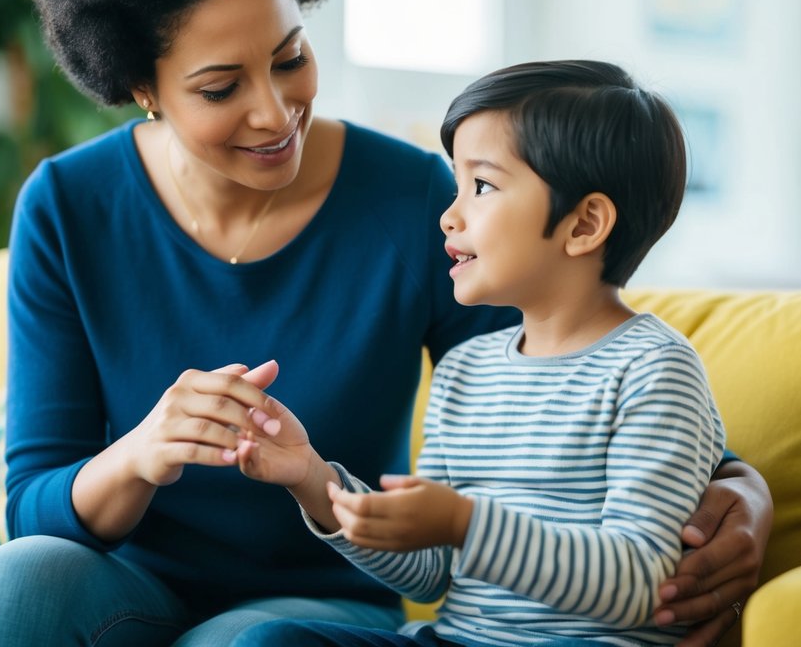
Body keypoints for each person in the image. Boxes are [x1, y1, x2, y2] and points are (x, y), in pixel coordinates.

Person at [0, 0, 771, 647]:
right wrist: (142, 451)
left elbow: (574, 362)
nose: (274, 113)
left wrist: (744, 489)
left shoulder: (412, 199)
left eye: (290, 57)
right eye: (221, 86)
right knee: (15, 584)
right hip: (126, 587)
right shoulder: (67, 205)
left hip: (315, 606)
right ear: (140, 88)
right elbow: (34, 505)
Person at [228, 60, 727, 647]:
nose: (449, 214)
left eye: (482, 186)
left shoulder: (653, 368)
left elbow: (642, 581)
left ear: (584, 223)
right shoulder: (465, 370)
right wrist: (313, 478)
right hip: (458, 639)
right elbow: (430, 571)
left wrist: (466, 524)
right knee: (270, 642)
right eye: (456, 184)